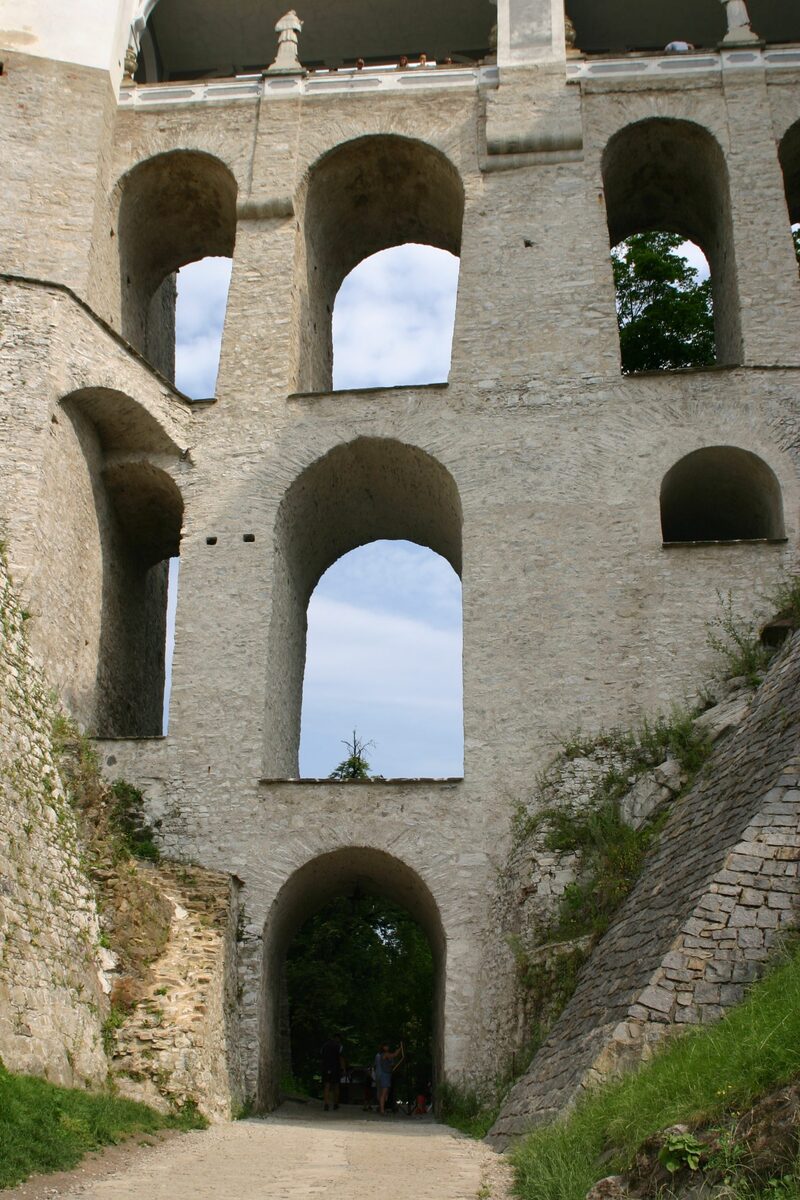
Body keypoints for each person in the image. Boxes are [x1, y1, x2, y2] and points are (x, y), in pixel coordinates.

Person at [374, 1042, 402, 1114]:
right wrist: (401, 1048)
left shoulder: (382, 1055)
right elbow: (394, 1055)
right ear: (383, 1047)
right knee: (383, 1093)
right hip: (385, 1075)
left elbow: (391, 1062)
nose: (388, 1047)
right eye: (386, 1046)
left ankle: (382, 1108)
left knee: (384, 1093)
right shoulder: (384, 1054)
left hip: (386, 1074)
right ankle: (382, 1110)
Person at [321, 1034, 345, 1111]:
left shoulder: (324, 1046)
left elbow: (321, 1055)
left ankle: (326, 1103)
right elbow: (341, 1057)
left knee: (327, 1085)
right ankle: (336, 1103)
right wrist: (343, 1068)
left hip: (326, 1067)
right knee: (336, 1086)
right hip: (335, 1068)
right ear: (338, 1039)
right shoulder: (339, 1046)